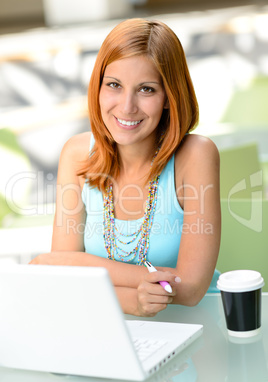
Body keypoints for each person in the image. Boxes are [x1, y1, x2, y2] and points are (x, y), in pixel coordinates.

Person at [30, 18, 221, 317]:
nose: (127, 106)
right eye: (114, 85)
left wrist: (71, 266)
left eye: (146, 89)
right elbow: (62, 278)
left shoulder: (195, 155)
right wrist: (134, 297)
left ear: (170, 97)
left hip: (195, 328)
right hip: (106, 329)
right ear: (98, 87)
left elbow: (192, 288)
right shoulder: (77, 154)